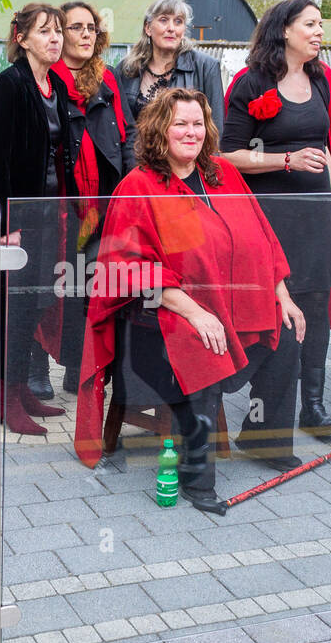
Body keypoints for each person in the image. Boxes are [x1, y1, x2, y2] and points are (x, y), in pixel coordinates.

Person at [74, 88, 307, 513]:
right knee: (201, 346)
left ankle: (263, 438)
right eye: (180, 123)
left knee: (286, 331)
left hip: (228, 305)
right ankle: (196, 479)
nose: (191, 132)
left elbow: (262, 241)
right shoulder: (138, 186)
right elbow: (127, 268)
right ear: (159, 129)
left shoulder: (222, 173)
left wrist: (282, 295)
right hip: (157, 321)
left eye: (198, 123)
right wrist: (195, 312)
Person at [221, 0, 331, 436]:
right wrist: (285, 161)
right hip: (269, 216)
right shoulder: (250, 82)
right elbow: (228, 156)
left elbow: (326, 148)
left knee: (316, 305)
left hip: (317, 212)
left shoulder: (323, 79)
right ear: (284, 30)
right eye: (311, 24)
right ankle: (264, 415)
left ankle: (312, 408)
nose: (320, 32)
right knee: (277, 309)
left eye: (321, 25)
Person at [27, 0, 138, 400]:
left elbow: (126, 139)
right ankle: (35, 366)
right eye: (75, 27)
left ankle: (79, 367)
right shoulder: (43, 78)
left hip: (101, 202)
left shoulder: (107, 79)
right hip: (57, 200)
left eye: (91, 27)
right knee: (49, 283)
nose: (86, 34)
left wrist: (128, 191)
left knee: (89, 286)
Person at [0, 3, 75, 435]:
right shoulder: (10, 83)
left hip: (51, 213)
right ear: (21, 38)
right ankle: (5, 398)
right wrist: (5, 223)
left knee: (35, 304)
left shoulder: (54, 83)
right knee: (14, 308)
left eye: (58, 31)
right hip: (19, 219)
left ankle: (20, 390)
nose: (55, 39)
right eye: (45, 32)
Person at [114, 0, 225, 134]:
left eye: (178, 22)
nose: (171, 28)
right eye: (163, 20)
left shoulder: (206, 67)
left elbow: (216, 130)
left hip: (188, 154)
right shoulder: (126, 69)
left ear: (183, 30)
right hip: (135, 154)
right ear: (148, 28)